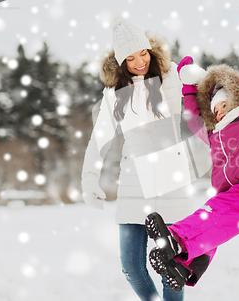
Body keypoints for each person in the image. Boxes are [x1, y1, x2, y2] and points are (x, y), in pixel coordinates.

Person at [143, 14, 239, 291]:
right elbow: (195, 117)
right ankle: (184, 265)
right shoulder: (214, 132)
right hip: (230, 192)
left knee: (211, 216)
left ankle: (176, 239)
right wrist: (189, 88)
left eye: (223, 106)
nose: (219, 112)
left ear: (237, 100)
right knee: (214, 227)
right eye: (215, 110)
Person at [81, 18, 195, 301]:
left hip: (171, 182)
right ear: (121, 62)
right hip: (134, 183)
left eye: (143, 53)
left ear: (150, 50)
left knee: (172, 266)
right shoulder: (114, 94)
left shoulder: (172, 77)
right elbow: (98, 141)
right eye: (130, 58)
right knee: (131, 266)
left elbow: (205, 94)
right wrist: (89, 180)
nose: (140, 61)